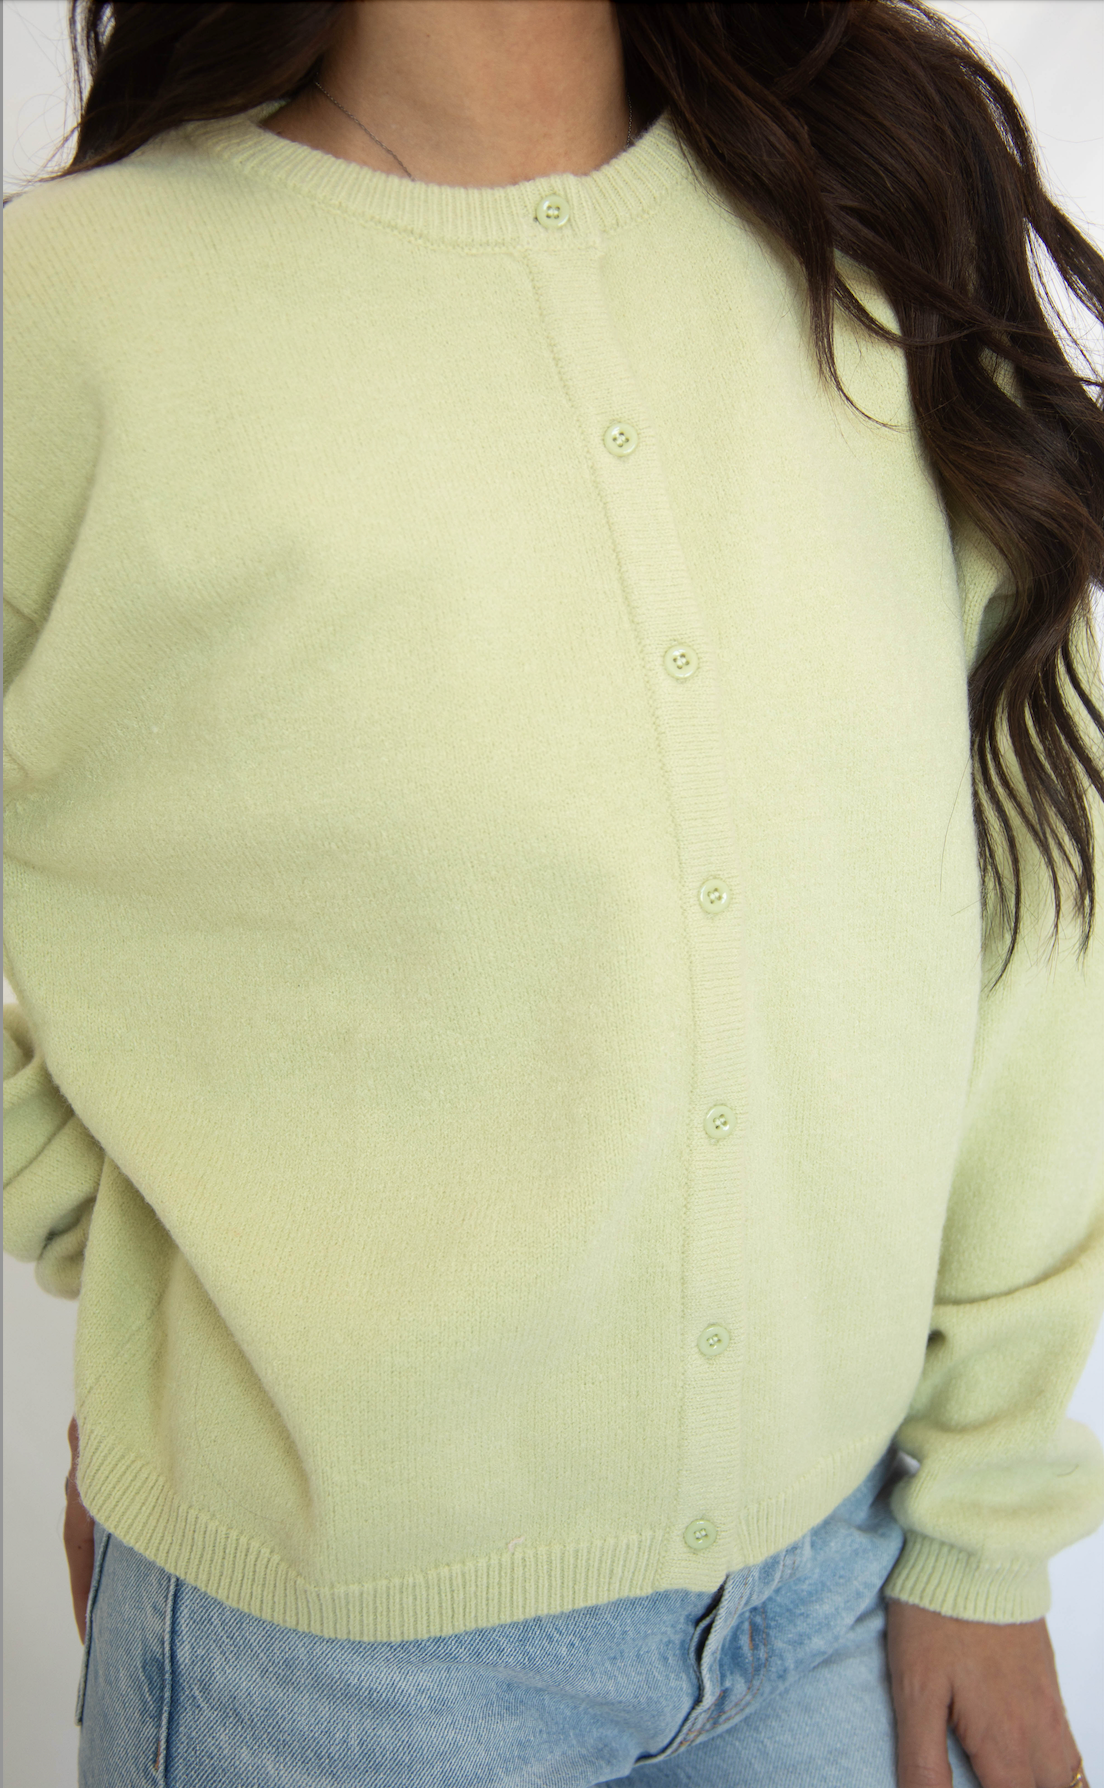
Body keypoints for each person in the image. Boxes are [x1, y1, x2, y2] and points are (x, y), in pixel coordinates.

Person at [5, 2, 1102, 1783]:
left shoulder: (876, 221)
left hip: (839, 1591)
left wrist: (986, 1523)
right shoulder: (70, 316)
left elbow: (1032, 890)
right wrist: (135, 1268)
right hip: (331, 1677)